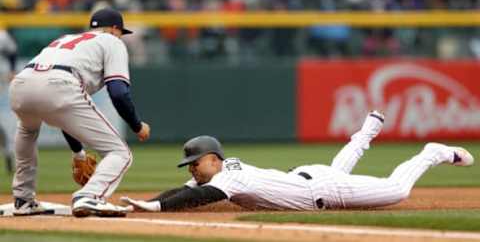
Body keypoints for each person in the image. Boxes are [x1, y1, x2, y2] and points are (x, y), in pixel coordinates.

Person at [121, 111, 474, 212]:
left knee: (397, 190)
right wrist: (145, 204)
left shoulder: (227, 179)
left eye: (196, 164)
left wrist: (157, 211)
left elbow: (198, 198)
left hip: (324, 189)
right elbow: (180, 191)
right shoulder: (218, 174)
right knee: (339, 169)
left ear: (213, 159)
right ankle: (366, 131)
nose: (192, 170)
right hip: (311, 180)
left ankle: (432, 152)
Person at [9, 8, 150, 217]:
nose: (121, 36)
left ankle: (23, 199)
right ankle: (89, 196)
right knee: (120, 153)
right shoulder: (112, 41)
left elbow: (66, 117)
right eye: (121, 32)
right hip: (60, 85)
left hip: (21, 84)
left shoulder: (67, 39)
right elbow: (119, 92)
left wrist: (79, 153)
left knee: (28, 131)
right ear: (113, 29)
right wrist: (137, 125)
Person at [0, 27, 18, 175]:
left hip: (1, 84)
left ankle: (9, 155)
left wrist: (12, 70)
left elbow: (13, 51)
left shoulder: (2, 35)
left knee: (5, 124)